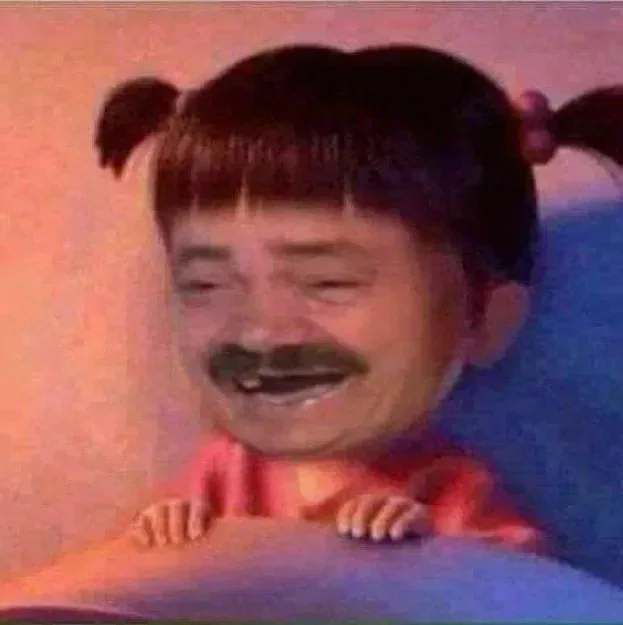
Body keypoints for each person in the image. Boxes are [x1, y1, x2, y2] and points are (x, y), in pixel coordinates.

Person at [94, 44, 623, 551]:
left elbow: (530, 592)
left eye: (327, 282)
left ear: (484, 317)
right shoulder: (224, 471)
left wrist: (436, 558)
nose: (260, 331)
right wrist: (164, 533)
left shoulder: (449, 490)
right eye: (207, 285)